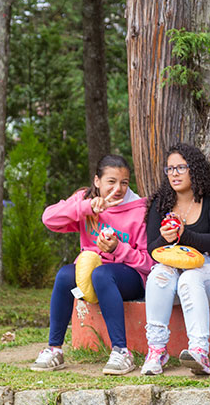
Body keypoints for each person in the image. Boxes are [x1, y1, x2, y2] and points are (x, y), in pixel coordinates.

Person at [32, 154, 154, 375]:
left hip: (131, 277)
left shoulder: (140, 210)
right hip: (93, 275)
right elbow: (49, 219)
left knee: (102, 274)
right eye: (111, 181)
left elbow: (149, 263)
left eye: (124, 182)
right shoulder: (86, 201)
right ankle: (55, 349)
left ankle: (121, 352)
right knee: (65, 275)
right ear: (97, 181)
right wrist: (86, 208)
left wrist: (117, 249)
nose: (118, 188)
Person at [142, 143, 210, 376]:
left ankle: (199, 351)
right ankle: (157, 350)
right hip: (171, 275)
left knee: (190, 278)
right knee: (158, 274)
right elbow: (152, 249)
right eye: (170, 169)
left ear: (195, 169)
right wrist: (164, 238)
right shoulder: (160, 203)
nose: (174, 174)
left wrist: (185, 235)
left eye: (181, 167)